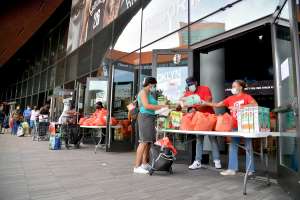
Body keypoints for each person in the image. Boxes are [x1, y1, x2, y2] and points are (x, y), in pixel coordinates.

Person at [203, 80, 258, 176]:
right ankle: (232, 169)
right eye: (232, 86)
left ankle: (250, 170)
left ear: (240, 87)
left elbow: (255, 105)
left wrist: (240, 107)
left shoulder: (246, 97)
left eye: (234, 86)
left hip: (246, 126)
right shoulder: (230, 98)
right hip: (234, 126)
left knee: (248, 147)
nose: (232, 88)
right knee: (232, 147)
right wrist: (205, 103)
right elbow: (217, 104)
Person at [182, 77, 221, 170]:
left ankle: (217, 160)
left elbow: (208, 101)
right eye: (189, 85)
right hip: (197, 119)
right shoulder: (187, 93)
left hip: (209, 117)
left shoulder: (205, 89)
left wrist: (196, 107)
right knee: (199, 139)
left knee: (213, 139)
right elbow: (185, 104)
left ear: (196, 82)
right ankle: (197, 161)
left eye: (192, 84)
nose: (191, 86)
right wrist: (187, 106)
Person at [134, 77, 167, 174]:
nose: (154, 87)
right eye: (154, 85)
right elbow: (147, 106)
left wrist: (161, 106)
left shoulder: (150, 93)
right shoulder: (143, 92)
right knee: (143, 141)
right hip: (145, 117)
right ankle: (137, 166)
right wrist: (162, 106)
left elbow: (153, 105)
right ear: (150, 84)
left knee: (148, 142)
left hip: (151, 117)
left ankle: (144, 163)